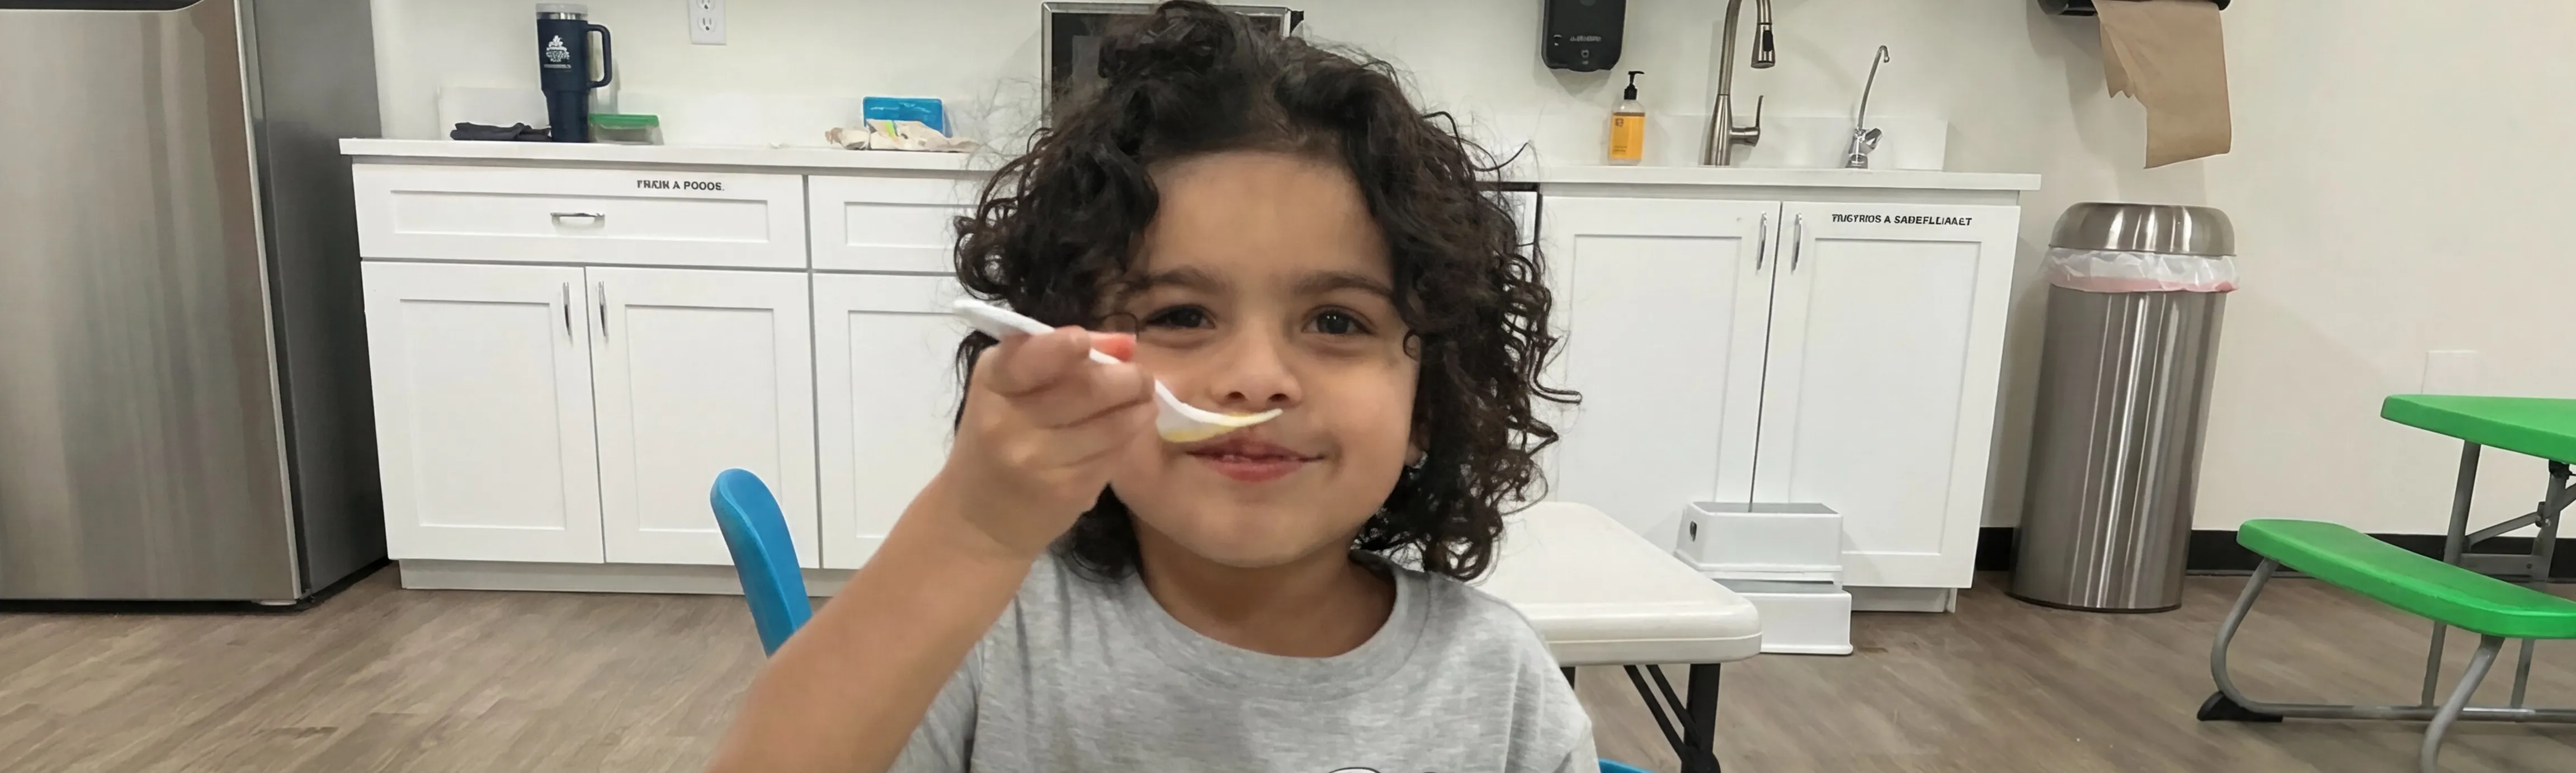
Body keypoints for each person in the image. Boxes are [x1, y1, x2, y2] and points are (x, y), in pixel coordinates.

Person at [706, 2, 1585, 771]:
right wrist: (969, 532)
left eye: (1336, 321)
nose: (1253, 378)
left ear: (1428, 401)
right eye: (1181, 314)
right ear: (1074, 359)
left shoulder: (1498, 685)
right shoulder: (989, 631)